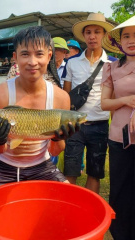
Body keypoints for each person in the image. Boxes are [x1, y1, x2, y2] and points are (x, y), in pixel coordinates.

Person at [0, 25, 79, 240]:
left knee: (68, 207)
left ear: (49, 55)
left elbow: (56, 150)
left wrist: (58, 138)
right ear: (15, 57)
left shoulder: (60, 98)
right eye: (25, 54)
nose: (32, 62)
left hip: (41, 165)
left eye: (39, 54)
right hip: (3, 166)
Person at [62, 13, 114, 194]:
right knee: (70, 172)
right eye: (89, 32)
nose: (92, 36)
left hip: (100, 125)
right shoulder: (71, 63)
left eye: (97, 32)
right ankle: (69, 212)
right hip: (75, 124)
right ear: (83, 36)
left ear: (105, 35)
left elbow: (113, 96)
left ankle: (89, 214)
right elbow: (66, 95)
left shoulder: (112, 64)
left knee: (94, 173)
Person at [101, 15, 135, 239]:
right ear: (119, 42)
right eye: (126, 35)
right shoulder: (110, 68)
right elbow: (104, 103)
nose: (131, 40)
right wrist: (126, 100)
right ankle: (121, 233)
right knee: (121, 188)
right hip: (118, 138)